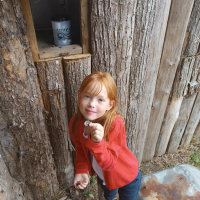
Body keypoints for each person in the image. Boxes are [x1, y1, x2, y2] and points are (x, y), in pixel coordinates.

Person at [68, 72, 142, 200]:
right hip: (106, 179)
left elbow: (109, 164)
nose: (92, 104)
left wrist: (97, 142)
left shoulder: (115, 123)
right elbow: (80, 149)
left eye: (100, 100)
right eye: (87, 96)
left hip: (128, 177)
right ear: (79, 96)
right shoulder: (75, 124)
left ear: (110, 104)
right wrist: (81, 169)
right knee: (109, 197)